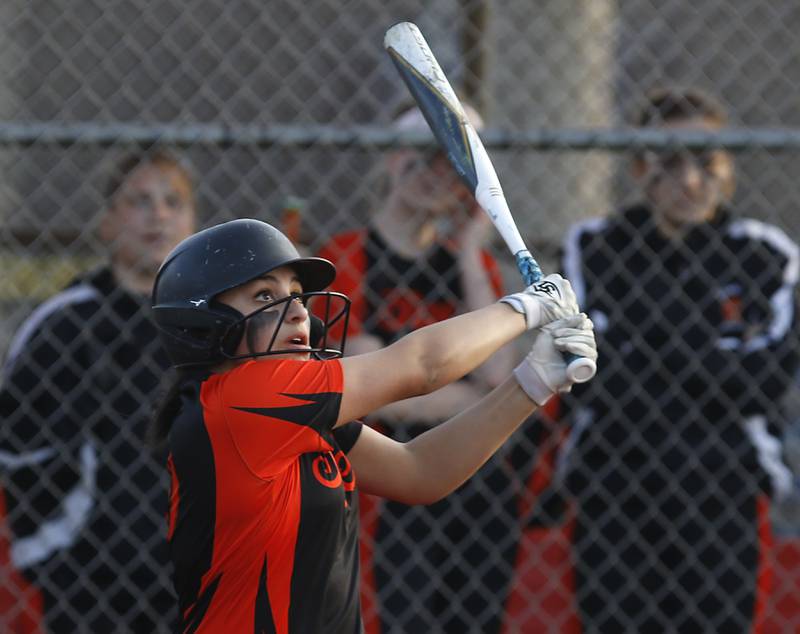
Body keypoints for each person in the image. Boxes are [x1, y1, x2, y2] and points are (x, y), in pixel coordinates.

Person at [148, 217, 597, 633]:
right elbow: (422, 366)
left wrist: (531, 383)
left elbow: (420, 471)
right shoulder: (237, 401)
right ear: (204, 324)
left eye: (297, 294)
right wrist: (526, 307)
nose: (300, 311)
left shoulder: (290, 417)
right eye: (266, 296)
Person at [560, 87, 800, 632]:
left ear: (730, 169)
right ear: (641, 168)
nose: (690, 181)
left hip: (723, 482)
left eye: (705, 163)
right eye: (670, 163)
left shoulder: (765, 252)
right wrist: (709, 355)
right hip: (615, 475)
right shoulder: (597, 245)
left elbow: (761, 384)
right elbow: (586, 372)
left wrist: (642, 336)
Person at [317, 104, 524, 632]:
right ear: (395, 161)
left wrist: (472, 248)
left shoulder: (469, 265)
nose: (438, 176)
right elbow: (366, 384)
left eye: (451, 166)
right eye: (426, 159)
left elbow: (499, 377)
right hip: (385, 473)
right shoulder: (347, 255)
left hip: (474, 480)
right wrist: (465, 392)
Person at [0, 149, 197, 632]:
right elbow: (16, 449)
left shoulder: (212, 325)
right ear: (108, 223)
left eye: (174, 202)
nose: (159, 215)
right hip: (91, 580)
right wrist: (63, 542)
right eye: (140, 201)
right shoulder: (68, 322)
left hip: (196, 571)